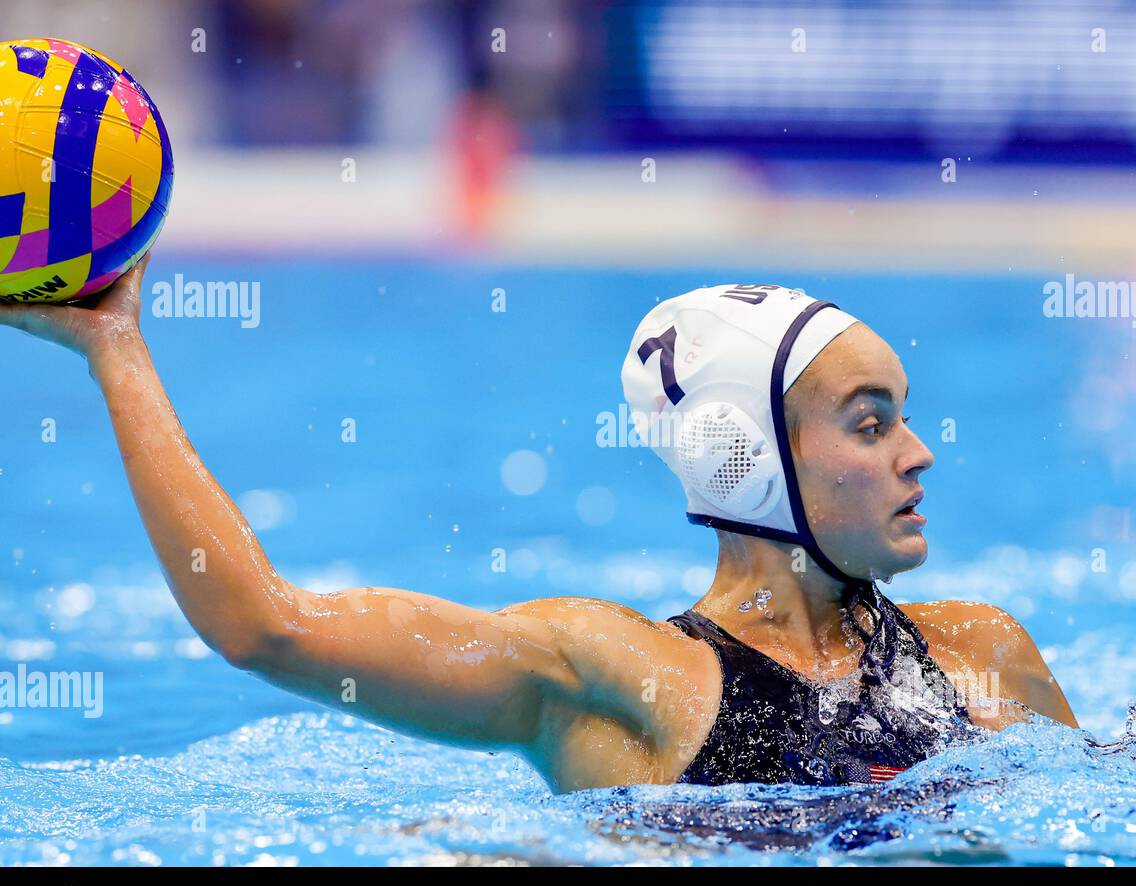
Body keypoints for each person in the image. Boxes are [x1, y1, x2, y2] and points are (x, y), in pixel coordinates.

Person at [0, 266, 1076, 793]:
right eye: (870, 421)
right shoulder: (615, 675)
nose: (917, 450)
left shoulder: (984, 652)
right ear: (744, 454)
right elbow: (264, 627)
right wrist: (117, 350)